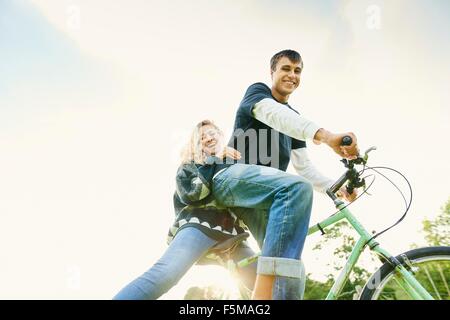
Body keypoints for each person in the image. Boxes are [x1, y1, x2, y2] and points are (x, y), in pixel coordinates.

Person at [210, 49, 359, 300]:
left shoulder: (294, 120)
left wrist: (337, 187)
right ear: (272, 72)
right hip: (235, 181)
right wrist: (326, 136)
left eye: (297, 70)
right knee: (296, 188)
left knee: (293, 268)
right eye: (286, 68)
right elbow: (274, 114)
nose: (292, 75)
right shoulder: (258, 94)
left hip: (263, 200)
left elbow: (306, 169)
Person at [113, 120, 257, 300]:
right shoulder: (189, 167)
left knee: (264, 278)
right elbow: (195, 194)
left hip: (231, 235)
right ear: (197, 146)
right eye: (202, 137)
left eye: (212, 133)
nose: (208, 138)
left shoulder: (233, 164)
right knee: (165, 275)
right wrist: (215, 159)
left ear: (221, 136)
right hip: (198, 226)